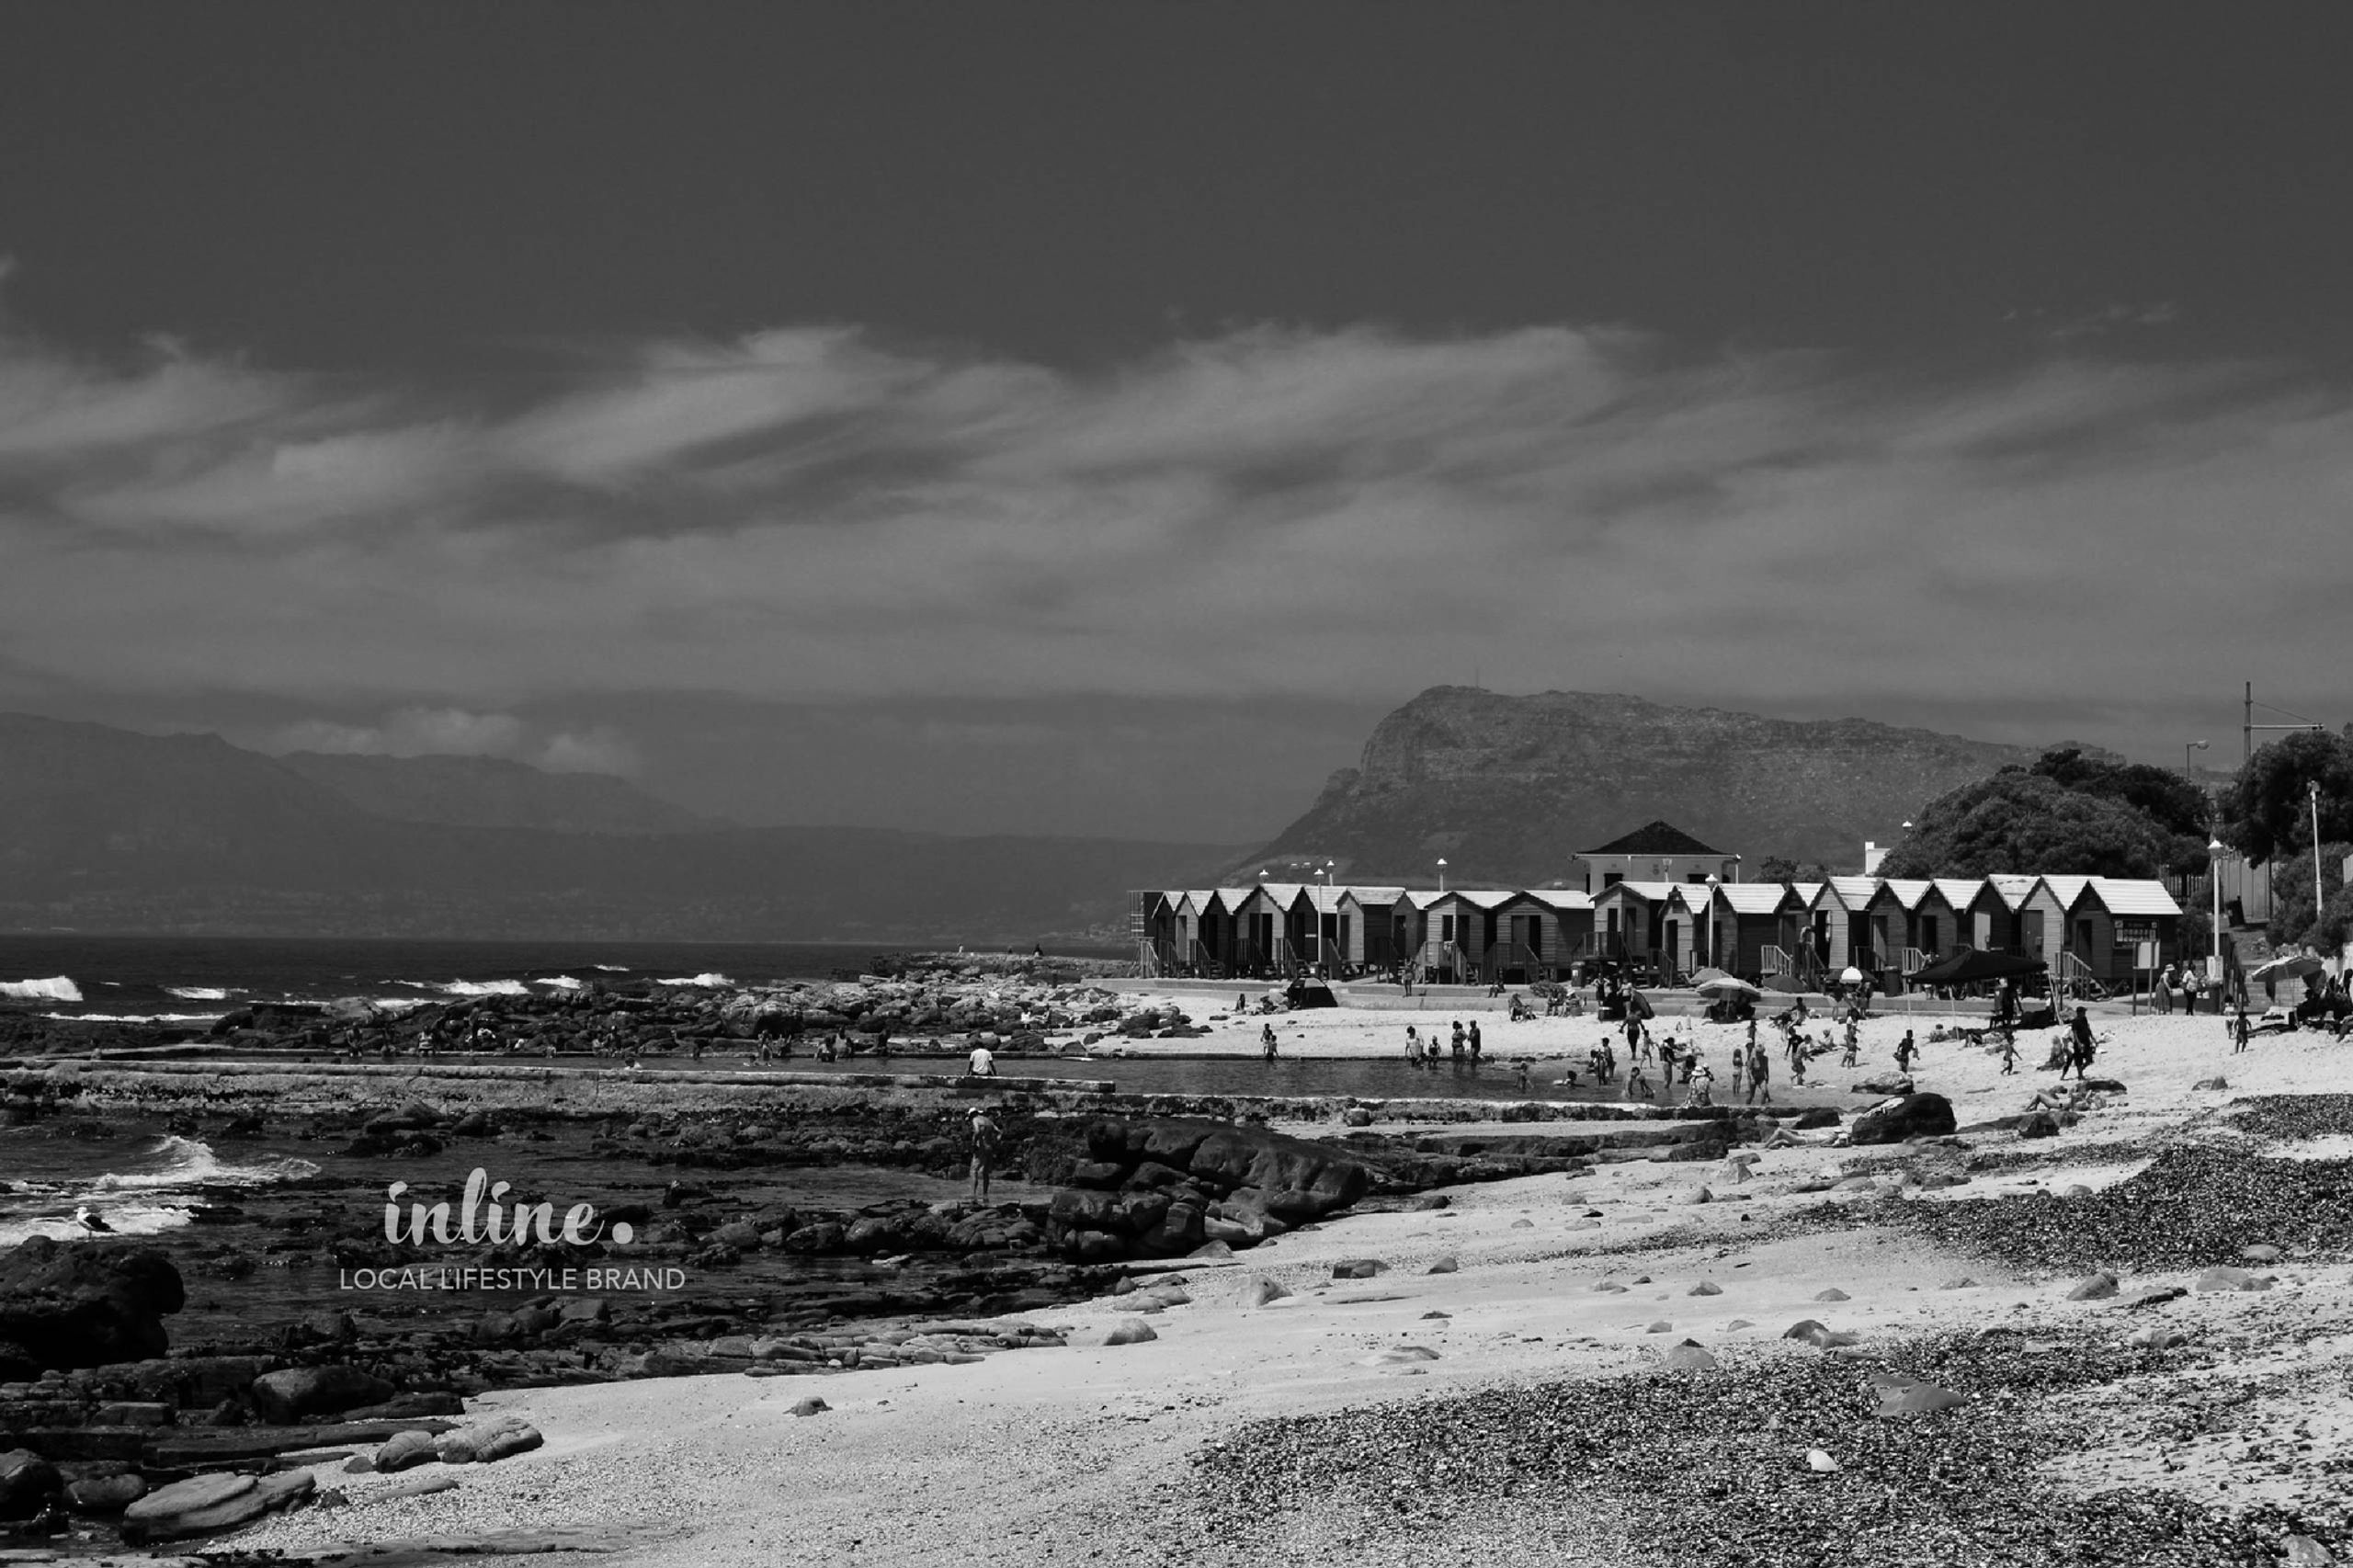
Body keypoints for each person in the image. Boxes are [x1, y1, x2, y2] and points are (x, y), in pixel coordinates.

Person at [968, 1108, 1003, 1203]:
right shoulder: (988, 1121)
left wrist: (974, 1143)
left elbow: (977, 1132)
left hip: (981, 1148)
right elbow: (999, 1132)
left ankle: (973, 1195)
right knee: (985, 1173)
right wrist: (995, 1142)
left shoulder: (975, 1120)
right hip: (989, 1148)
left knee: (973, 1170)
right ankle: (985, 1195)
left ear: (971, 1115)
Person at [2063, 1006, 2097, 1081]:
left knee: (2089, 1059)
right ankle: (2080, 1075)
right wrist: (2078, 1043)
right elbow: (2075, 1033)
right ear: (2079, 1013)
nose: (2085, 1013)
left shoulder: (2084, 1019)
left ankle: (2081, 1069)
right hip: (2079, 1042)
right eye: (2083, 1012)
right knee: (2078, 1060)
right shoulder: (2075, 1021)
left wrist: (2092, 1037)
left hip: (2086, 1041)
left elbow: (2088, 1028)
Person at [1745, 1042, 1771, 1106]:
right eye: (1757, 1053)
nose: (1759, 1054)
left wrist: (1767, 1077)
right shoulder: (1753, 1059)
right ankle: (1746, 1106)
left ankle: (1762, 1106)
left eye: (1760, 1053)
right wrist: (1751, 1078)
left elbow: (1766, 1069)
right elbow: (1748, 1069)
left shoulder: (1765, 1059)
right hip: (1754, 1078)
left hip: (1761, 1078)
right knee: (1751, 1096)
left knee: (1764, 1091)